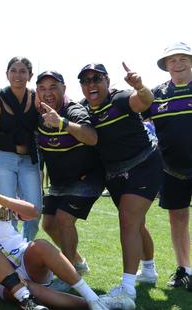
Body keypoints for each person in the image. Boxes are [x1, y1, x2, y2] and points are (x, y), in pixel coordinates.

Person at [0, 172, 109, 310]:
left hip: (25, 259)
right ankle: (97, 304)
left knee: (41, 245)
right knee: (33, 289)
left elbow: (33, 213)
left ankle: (90, 295)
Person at [78, 63, 161, 309]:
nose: (91, 84)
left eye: (97, 78)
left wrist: (140, 86)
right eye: (85, 80)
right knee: (136, 223)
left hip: (144, 164)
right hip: (114, 173)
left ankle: (126, 291)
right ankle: (148, 270)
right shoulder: (83, 110)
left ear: (107, 81)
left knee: (128, 221)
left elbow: (144, 101)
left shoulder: (121, 98)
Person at [35, 71, 102, 275]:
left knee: (64, 219)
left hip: (86, 179)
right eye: (43, 88)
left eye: (53, 87)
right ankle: (79, 263)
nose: (48, 92)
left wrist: (62, 123)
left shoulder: (74, 110)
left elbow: (91, 137)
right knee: (48, 224)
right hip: (60, 183)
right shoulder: (38, 116)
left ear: (64, 89)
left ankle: (69, 273)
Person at [142, 42, 192, 288]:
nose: (178, 64)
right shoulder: (156, 94)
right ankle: (185, 270)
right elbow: (131, 119)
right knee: (178, 219)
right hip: (172, 170)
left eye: (183, 58)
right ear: (166, 66)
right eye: (172, 60)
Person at [0, 56, 41, 241]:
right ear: (7, 74)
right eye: (13, 71)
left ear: (30, 75)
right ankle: (12, 253)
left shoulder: (35, 98)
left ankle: (27, 249)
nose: (18, 75)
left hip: (29, 160)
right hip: (4, 159)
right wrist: (16, 146)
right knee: (6, 212)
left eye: (23, 71)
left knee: (35, 211)